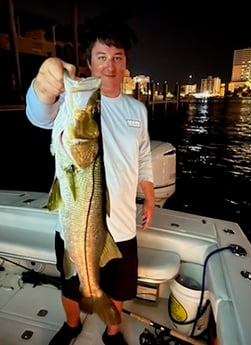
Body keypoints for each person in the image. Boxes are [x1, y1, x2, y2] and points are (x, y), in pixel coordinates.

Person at [25, 17, 155, 345]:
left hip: (123, 224)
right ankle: (72, 326)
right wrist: (44, 84)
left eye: (117, 57)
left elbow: (143, 158)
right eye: (101, 57)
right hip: (74, 225)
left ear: (126, 63)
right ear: (89, 61)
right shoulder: (74, 103)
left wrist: (150, 196)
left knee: (120, 288)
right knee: (72, 284)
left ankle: (112, 333)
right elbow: (38, 112)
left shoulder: (137, 110)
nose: (109, 66)